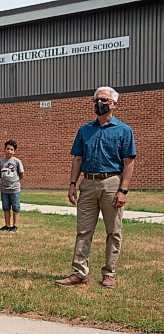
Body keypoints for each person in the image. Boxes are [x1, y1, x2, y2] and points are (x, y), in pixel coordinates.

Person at [55, 86, 136, 289]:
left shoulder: (124, 131)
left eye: (105, 100)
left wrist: (123, 190)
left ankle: (109, 273)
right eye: (97, 100)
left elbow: (128, 161)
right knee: (84, 230)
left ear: (114, 104)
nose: (100, 104)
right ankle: (79, 272)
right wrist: (73, 184)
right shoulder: (85, 130)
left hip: (112, 183)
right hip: (88, 184)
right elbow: (78, 158)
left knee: (113, 231)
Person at [0, 140, 24, 232]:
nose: (9, 151)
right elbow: (0, 174)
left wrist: (15, 181)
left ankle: (15, 226)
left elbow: (21, 174)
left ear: (14, 151)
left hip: (14, 189)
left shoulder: (17, 161)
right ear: (4, 150)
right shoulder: (1, 162)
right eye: (7, 149)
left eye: (11, 149)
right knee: (6, 207)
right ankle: (7, 225)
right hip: (4, 189)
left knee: (16, 207)